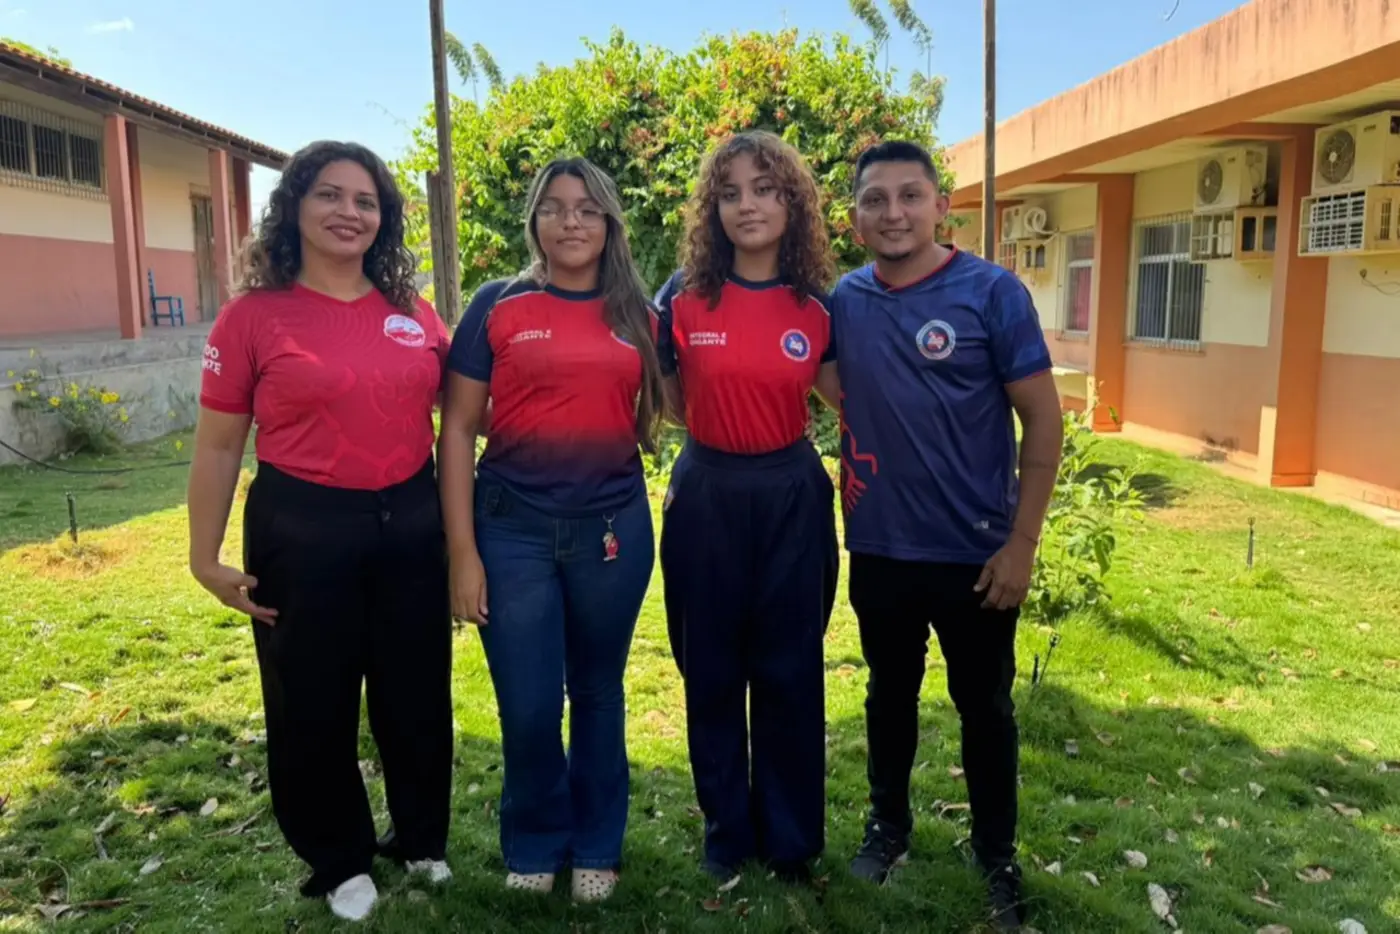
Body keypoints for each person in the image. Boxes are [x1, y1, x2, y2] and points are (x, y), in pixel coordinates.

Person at [187, 141, 455, 923]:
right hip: (302, 525)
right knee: (313, 700)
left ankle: (421, 838)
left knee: (414, 691)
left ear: (384, 218)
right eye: (330, 195)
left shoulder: (414, 314)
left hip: (409, 522)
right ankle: (338, 857)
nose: (349, 212)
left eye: (365, 200)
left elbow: (469, 415)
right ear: (294, 207)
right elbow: (215, 445)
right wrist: (204, 557)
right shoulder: (252, 317)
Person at [831, 140, 1064, 931]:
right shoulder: (842, 302)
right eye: (875, 200)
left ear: (941, 206)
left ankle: (995, 852)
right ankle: (888, 827)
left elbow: (1042, 420)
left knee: (985, 707)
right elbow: (827, 380)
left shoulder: (992, 293)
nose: (892, 212)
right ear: (856, 218)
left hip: (977, 554)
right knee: (886, 694)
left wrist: (1022, 544)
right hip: (881, 548)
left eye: (909, 196)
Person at [437, 157, 664, 902]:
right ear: (533, 220)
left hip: (612, 533)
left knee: (597, 692)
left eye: (588, 209)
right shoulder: (496, 305)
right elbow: (459, 430)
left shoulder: (639, 315)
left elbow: (685, 405)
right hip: (513, 533)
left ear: (609, 224)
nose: (572, 222)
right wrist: (463, 555)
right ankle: (535, 838)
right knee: (529, 704)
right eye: (556, 207)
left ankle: (598, 843)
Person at [655, 130, 841, 884]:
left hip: (792, 494)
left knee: (792, 670)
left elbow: (849, 402)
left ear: (791, 202)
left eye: (764, 189)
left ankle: (791, 842)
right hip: (706, 493)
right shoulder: (682, 298)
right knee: (711, 668)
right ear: (712, 210)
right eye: (728, 193)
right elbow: (670, 402)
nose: (747, 206)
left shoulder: (817, 308)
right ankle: (729, 834)